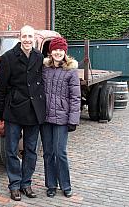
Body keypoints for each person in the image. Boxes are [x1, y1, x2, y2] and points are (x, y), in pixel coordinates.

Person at [0, 25, 46, 201]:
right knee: (11, 150)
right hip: (14, 110)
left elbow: (43, 82)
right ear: (20, 37)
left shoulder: (39, 57)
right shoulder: (8, 57)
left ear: (34, 38)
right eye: (24, 36)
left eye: (30, 36)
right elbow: (0, 87)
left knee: (31, 150)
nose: (27, 39)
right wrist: (0, 111)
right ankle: (14, 184)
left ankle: (26, 183)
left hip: (34, 111)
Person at [40, 37, 81, 198]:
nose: (57, 52)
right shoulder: (44, 69)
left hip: (62, 119)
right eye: (55, 49)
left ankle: (65, 185)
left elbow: (75, 97)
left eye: (61, 50)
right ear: (50, 52)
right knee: (48, 153)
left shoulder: (71, 71)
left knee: (60, 152)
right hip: (45, 118)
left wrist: (73, 120)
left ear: (65, 52)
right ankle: (51, 185)